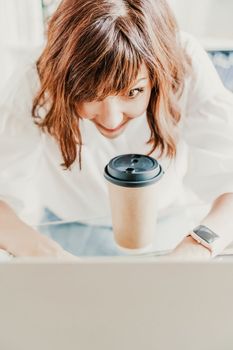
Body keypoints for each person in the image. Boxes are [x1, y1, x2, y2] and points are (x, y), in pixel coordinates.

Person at [0, 0, 233, 260]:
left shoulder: (185, 62)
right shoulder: (35, 78)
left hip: (166, 221)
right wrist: (45, 253)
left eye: (133, 92)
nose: (111, 121)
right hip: (68, 225)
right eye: (89, 94)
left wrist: (196, 248)